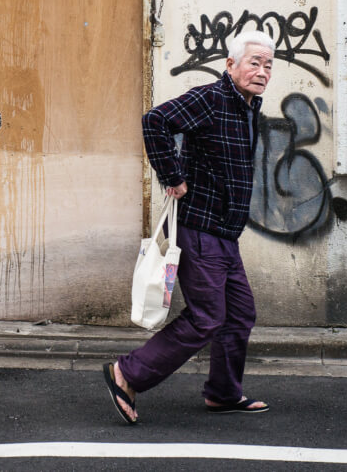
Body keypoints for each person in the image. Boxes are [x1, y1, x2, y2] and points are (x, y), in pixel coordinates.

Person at [103, 29, 275, 424]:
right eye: (254, 62)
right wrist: (172, 174)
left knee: (239, 314)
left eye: (268, 64)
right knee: (207, 316)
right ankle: (127, 373)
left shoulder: (249, 107)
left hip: (225, 234)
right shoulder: (212, 98)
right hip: (201, 228)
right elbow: (155, 121)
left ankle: (223, 393)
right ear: (230, 65)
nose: (262, 70)